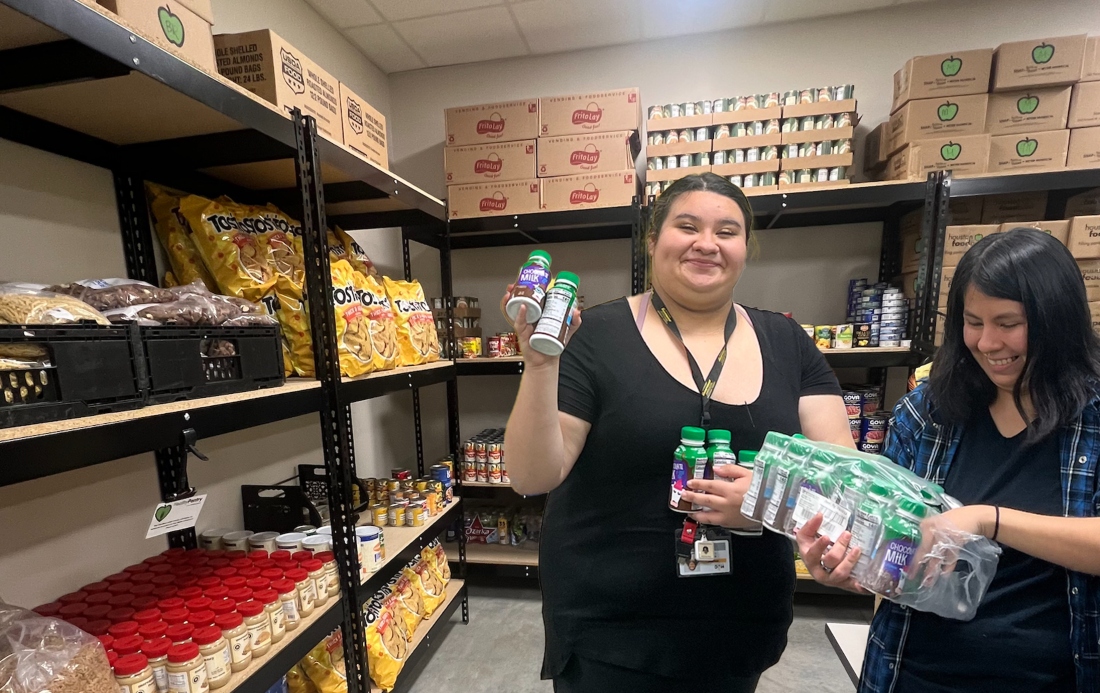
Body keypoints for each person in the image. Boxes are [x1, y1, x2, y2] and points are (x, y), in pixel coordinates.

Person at [503, 172, 854, 692]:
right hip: (611, 636)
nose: (707, 244)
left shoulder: (787, 342)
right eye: (687, 226)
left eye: (728, 231)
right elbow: (532, 475)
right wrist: (538, 366)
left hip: (737, 629)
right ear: (652, 240)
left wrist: (765, 501)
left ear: (745, 247)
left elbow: (845, 479)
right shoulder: (596, 335)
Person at [796, 228, 1100, 693]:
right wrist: (847, 565)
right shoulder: (927, 415)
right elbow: (886, 544)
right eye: (973, 321)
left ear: (1056, 320)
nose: (987, 342)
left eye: (1008, 322)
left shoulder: (1093, 420)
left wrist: (986, 520)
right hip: (911, 672)